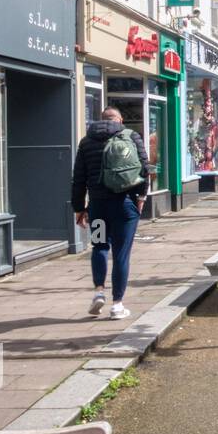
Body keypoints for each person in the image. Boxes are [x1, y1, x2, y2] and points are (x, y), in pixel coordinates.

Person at [72, 107, 149, 320]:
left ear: (101, 119)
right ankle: (117, 305)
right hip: (124, 206)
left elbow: (78, 178)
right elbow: (144, 168)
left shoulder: (86, 142)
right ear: (120, 119)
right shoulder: (131, 136)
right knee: (121, 254)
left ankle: (98, 291)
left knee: (99, 246)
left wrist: (79, 208)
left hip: (97, 207)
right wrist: (141, 198)